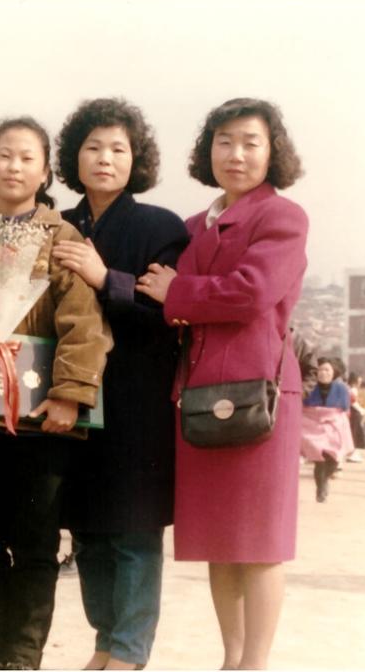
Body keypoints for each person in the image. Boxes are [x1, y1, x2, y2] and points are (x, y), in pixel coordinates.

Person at [0, 117, 112, 670]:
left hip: (39, 421)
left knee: (34, 544)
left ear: (45, 171)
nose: (14, 167)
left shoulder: (63, 237)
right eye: (4, 155)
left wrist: (70, 394)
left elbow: (85, 323)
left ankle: (24, 654)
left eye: (27, 158)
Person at [136, 97, 308, 670]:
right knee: (219, 542)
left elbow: (250, 292)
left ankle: (253, 664)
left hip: (260, 397)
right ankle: (230, 659)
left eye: (250, 142)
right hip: (200, 397)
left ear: (272, 152)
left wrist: (177, 293)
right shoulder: (192, 226)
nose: (236, 154)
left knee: (258, 547)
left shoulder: (281, 217)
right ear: (208, 150)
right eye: (224, 141)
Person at [51, 97, 188, 670]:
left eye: (118, 149)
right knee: (86, 529)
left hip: (137, 397)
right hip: (71, 394)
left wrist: (106, 278)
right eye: (92, 147)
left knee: (133, 531)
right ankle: (105, 643)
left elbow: (170, 314)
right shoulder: (60, 224)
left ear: (137, 159)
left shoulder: (161, 227)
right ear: (73, 158)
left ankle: (129, 652)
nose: (104, 159)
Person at [302, 358, 353, 502]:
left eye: (327, 370)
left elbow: (343, 409)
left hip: (332, 425)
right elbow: (304, 408)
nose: (323, 373)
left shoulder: (341, 388)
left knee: (334, 460)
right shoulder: (310, 386)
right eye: (320, 370)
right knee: (320, 460)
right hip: (313, 426)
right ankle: (321, 489)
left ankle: (324, 480)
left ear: (333, 373)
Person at [346, 372, 365, 460]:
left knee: (354, 433)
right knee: (354, 434)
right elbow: (353, 402)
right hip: (355, 414)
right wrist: (362, 411)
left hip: (355, 413)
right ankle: (352, 453)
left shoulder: (351, 389)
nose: (360, 382)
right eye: (359, 381)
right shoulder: (352, 390)